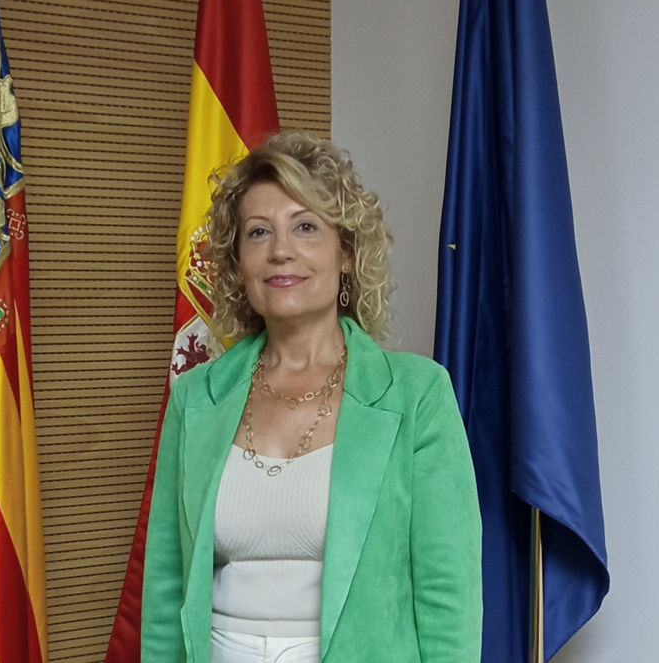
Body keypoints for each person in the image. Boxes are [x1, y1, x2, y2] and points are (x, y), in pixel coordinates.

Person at [141, 131, 482, 662]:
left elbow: (449, 597)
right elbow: (165, 588)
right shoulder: (197, 397)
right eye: (259, 232)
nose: (281, 251)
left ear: (345, 252)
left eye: (305, 227)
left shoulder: (418, 396)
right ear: (238, 263)